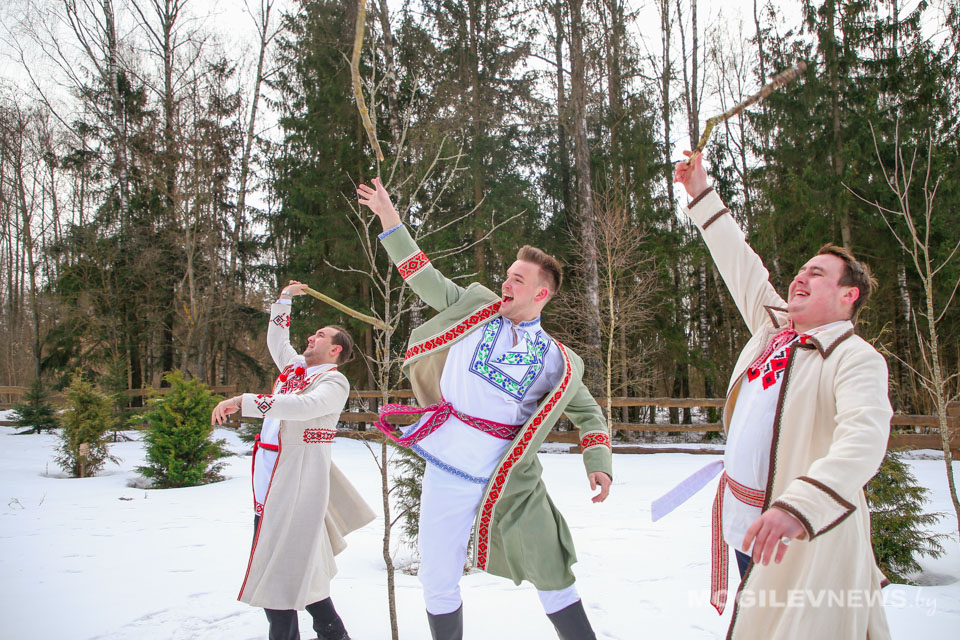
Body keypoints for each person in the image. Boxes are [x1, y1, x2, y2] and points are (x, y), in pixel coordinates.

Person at [357, 177, 613, 640]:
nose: (506, 281)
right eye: (507, 274)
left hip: (512, 480)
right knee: (437, 578)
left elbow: (590, 416)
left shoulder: (558, 359)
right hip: (449, 468)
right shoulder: (475, 309)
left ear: (542, 294)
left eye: (518, 278)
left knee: (553, 568)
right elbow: (422, 275)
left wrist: (599, 463)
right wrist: (388, 217)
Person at [671, 152, 892, 639]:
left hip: (806, 535)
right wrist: (701, 192)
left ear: (848, 295)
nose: (800, 276)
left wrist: (799, 509)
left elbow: (864, 441)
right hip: (748, 528)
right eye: (802, 269)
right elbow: (739, 263)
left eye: (816, 274)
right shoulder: (772, 328)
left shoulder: (854, 359)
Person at [212, 281, 375, 640]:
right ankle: (334, 635)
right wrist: (284, 300)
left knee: (278, 572)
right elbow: (277, 342)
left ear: (335, 349)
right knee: (297, 570)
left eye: (319, 335)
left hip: (299, 483)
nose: (311, 338)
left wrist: (243, 401)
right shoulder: (296, 371)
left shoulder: (334, 383)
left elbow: (304, 408)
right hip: (270, 481)